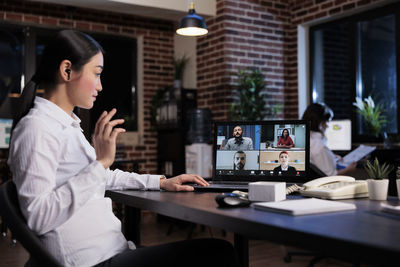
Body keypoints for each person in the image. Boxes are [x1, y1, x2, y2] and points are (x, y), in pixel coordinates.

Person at [7, 30, 239, 267]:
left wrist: (160, 182)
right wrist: (100, 162)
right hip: (93, 262)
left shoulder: (67, 125)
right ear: (67, 70)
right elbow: (39, 217)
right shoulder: (36, 129)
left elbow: (99, 177)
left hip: (112, 251)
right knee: (220, 253)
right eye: (96, 74)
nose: (100, 85)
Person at [301, 103, 356, 176]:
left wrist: (331, 157)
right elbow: (330, 176)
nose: (328, 125)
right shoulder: (319, 147)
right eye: (328, 121)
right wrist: (348, 169)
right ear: (321, 123)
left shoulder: (304, 138)